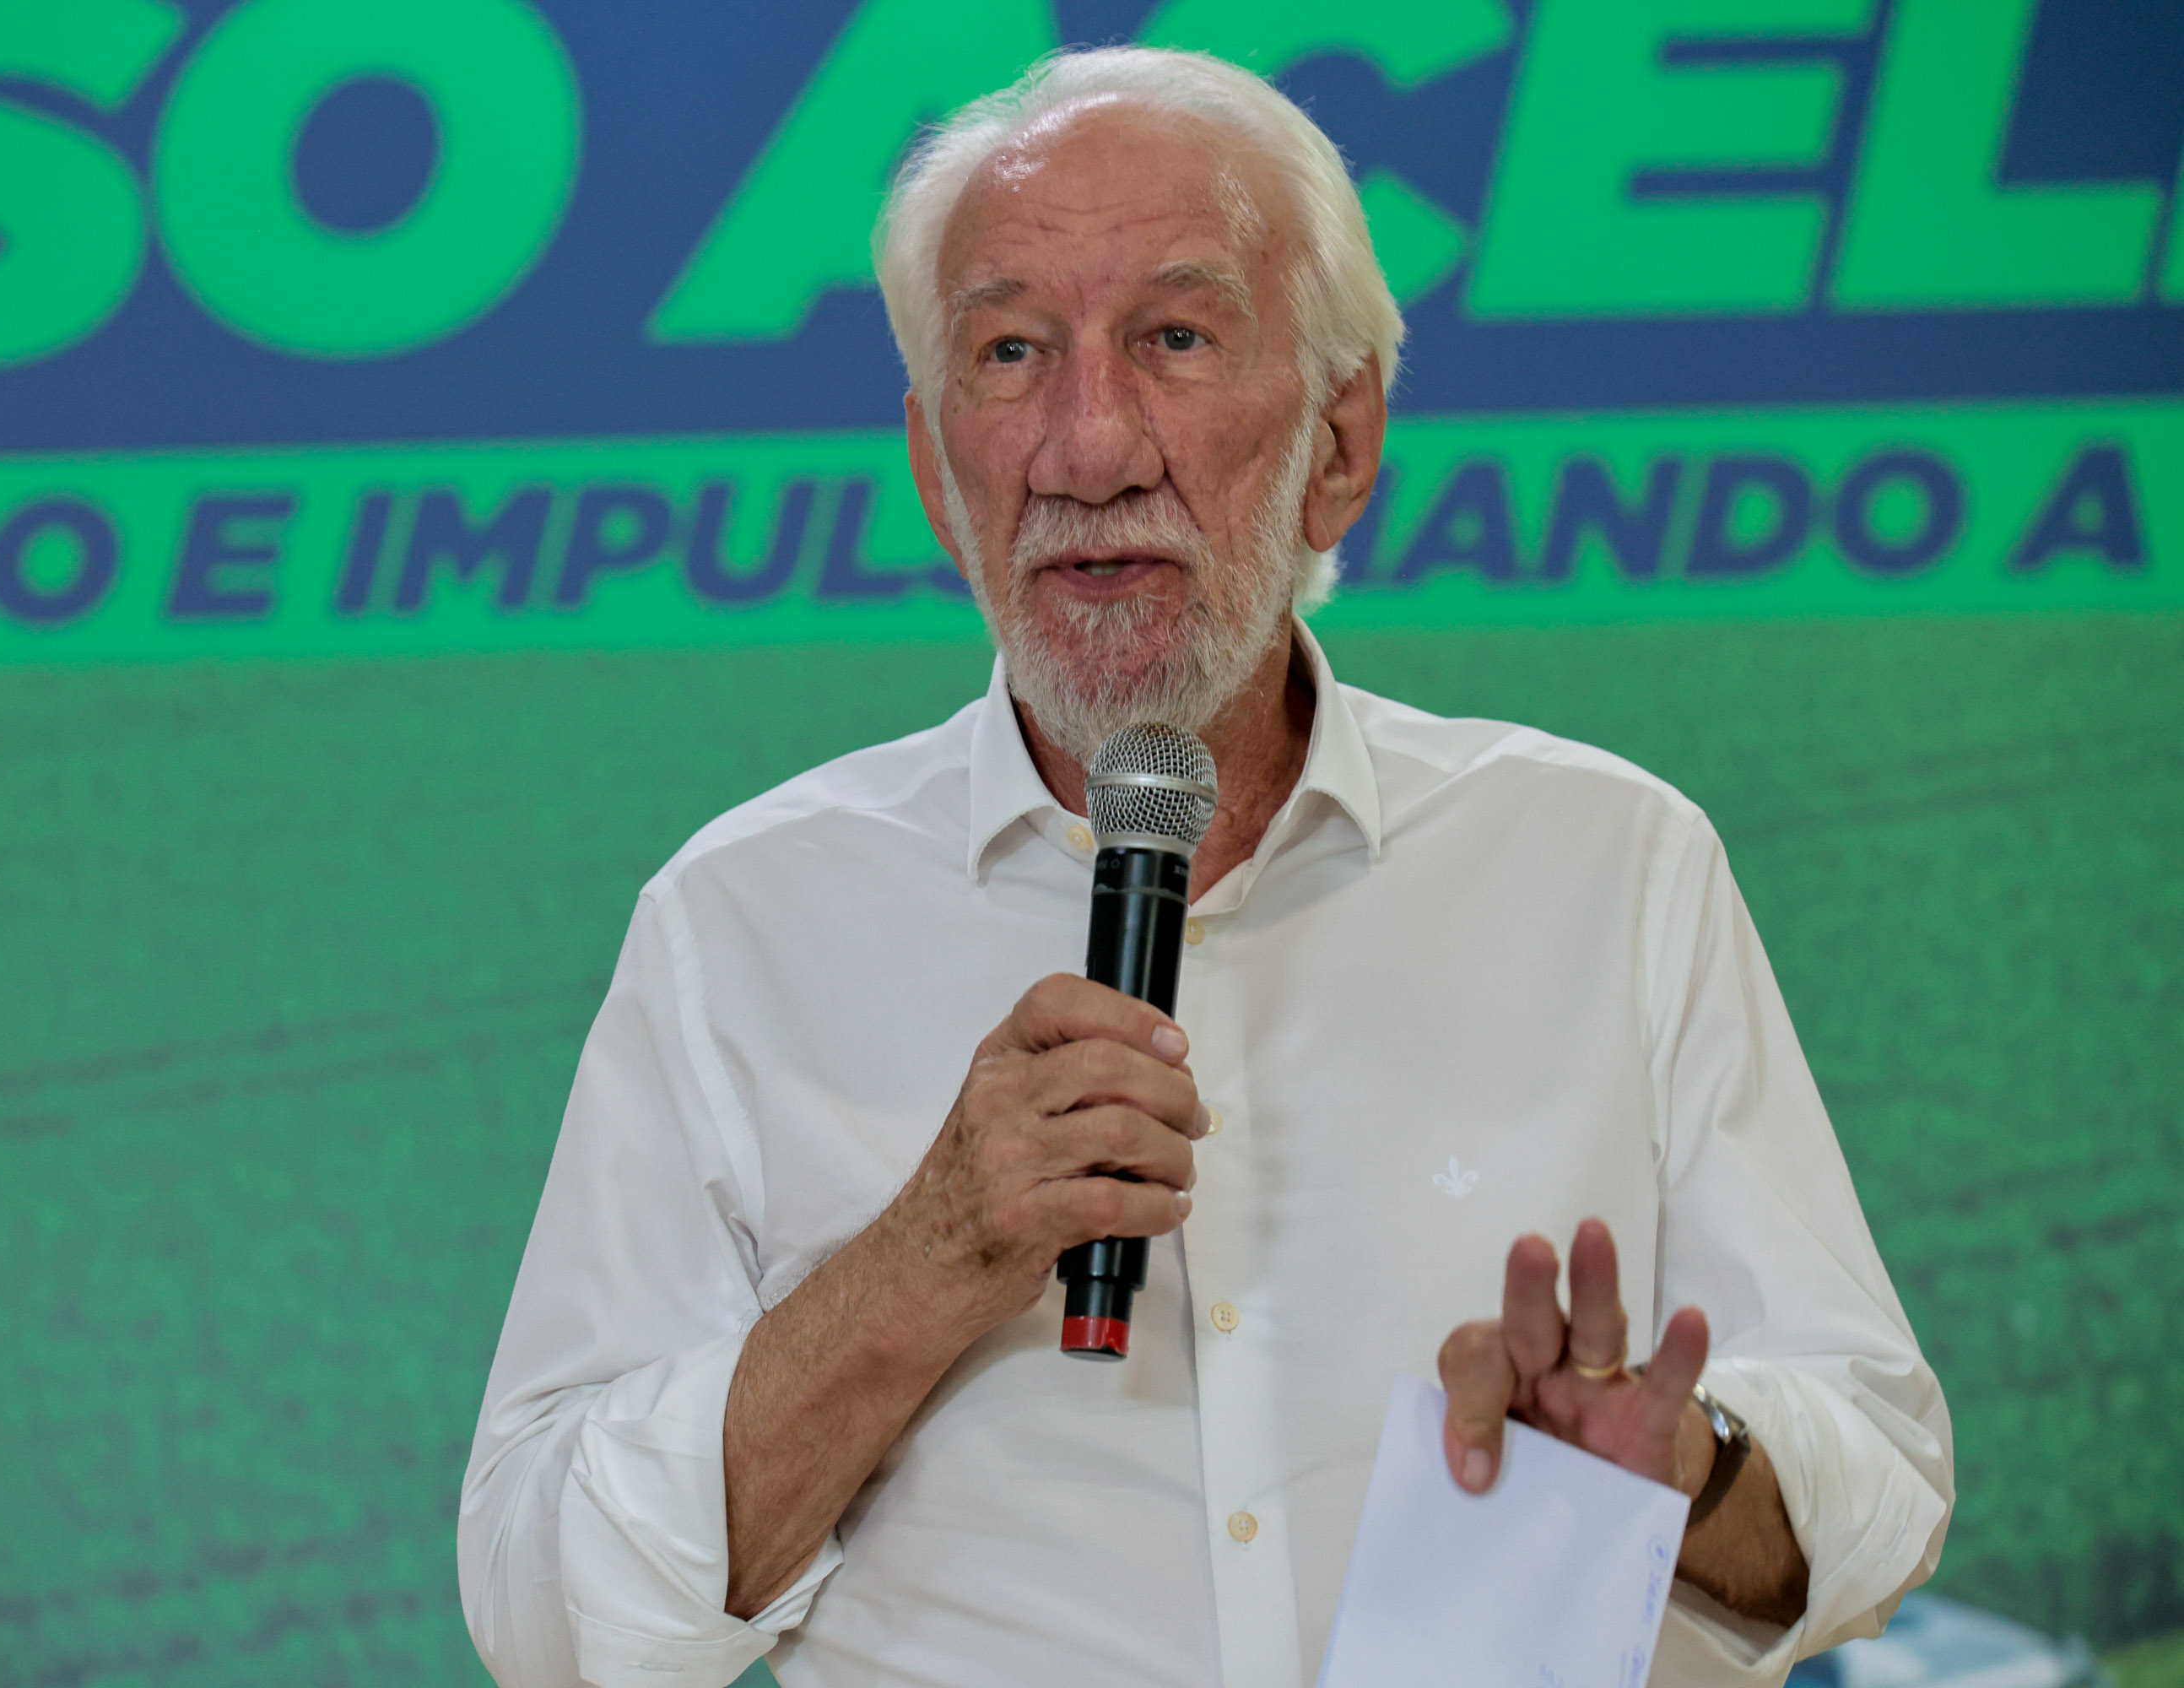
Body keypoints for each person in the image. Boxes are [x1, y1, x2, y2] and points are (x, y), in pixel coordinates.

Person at [459, 46, 1950, 1688]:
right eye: (1011, 352)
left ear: (1340, 438)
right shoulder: (743, 922)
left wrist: (1687, 1473)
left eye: (1174, 338)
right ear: (937, 470)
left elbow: (1876, 1480)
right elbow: (544, 1619)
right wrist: (919, 1267)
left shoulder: (1609, 863)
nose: (1089, 445)